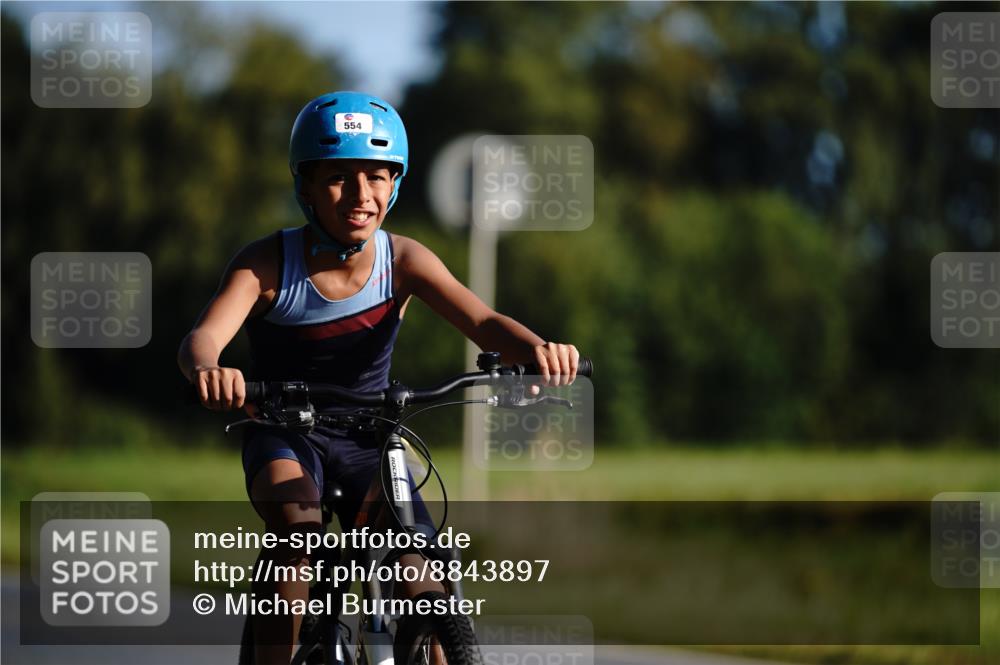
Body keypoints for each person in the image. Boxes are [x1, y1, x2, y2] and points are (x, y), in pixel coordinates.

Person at [177, 91, 579, 664]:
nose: (361, 195)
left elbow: (484, 321)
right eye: (339, 177)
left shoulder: (404, 260)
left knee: (420, 563)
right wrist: (210, 370)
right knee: (298, 537)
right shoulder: (266, 263)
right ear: (307, 186)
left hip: (372, 437)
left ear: (395, 183)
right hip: (286, 433)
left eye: (377, 176)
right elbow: (204, 337)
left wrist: (540, 350)